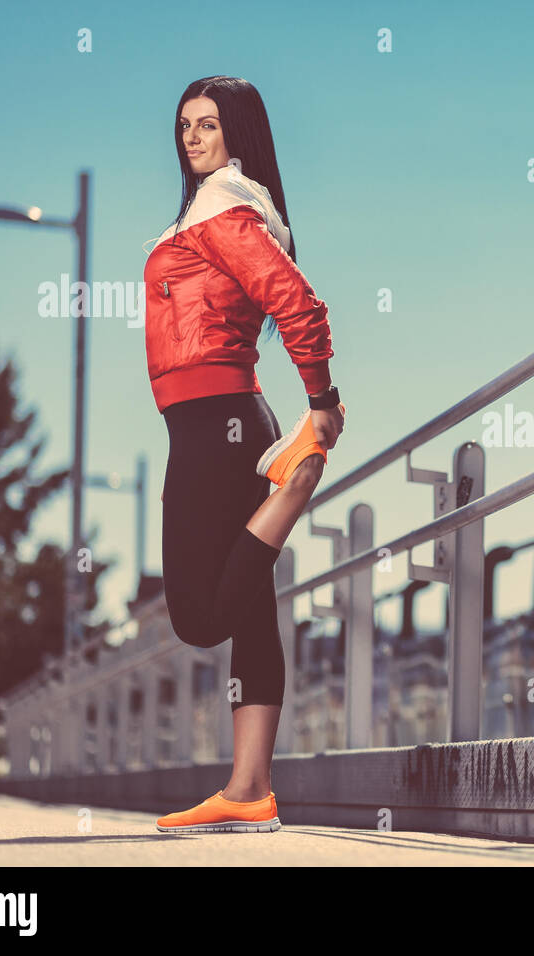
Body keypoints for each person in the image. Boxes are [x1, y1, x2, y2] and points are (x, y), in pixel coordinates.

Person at [141, 76, 344, 832]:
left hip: (216, 424)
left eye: (209, 125)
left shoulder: (227, 206)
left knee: (197, 616)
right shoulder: (216, 206)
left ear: (237, 134)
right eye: (185, 125)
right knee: (251, 609)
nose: (193, 138)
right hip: (221, 422)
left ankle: (293, 487)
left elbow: (298, 301)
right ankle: (249, 790)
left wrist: (321, 403)